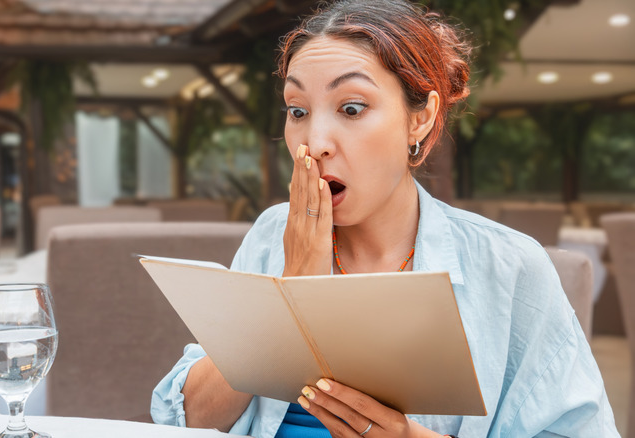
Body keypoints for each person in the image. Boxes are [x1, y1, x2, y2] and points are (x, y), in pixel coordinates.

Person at [151, 0, 619, 436]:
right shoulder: (274, 234)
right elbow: (187, 419)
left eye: (351, 108)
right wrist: (288, 295)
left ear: (420, 119)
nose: (313, 144)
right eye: (297, 110)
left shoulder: (509, 264)